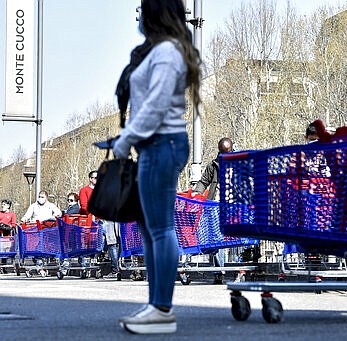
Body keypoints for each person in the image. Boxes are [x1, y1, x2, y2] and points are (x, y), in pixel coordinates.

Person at [112, 0, 200, 334]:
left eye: (142, 11)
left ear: (154, 15)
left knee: (160, 229)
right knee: (152, 230)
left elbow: (154, 106)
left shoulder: (165, 53)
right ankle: (156, 304)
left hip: (162, 144)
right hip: (158, 144)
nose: (138, 17)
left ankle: (162, 308)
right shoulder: (165, 51)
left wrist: (124, 140)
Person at [193, 137, 233, 283]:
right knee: (217, 239)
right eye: (223, 153)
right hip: (214, 206)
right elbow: (203, 182)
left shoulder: (238, 163)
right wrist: (196, 193)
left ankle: (225, 269)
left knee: (237, 238)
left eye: (228, 153)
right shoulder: (213, 165)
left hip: (231, 205)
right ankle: (219, 271)